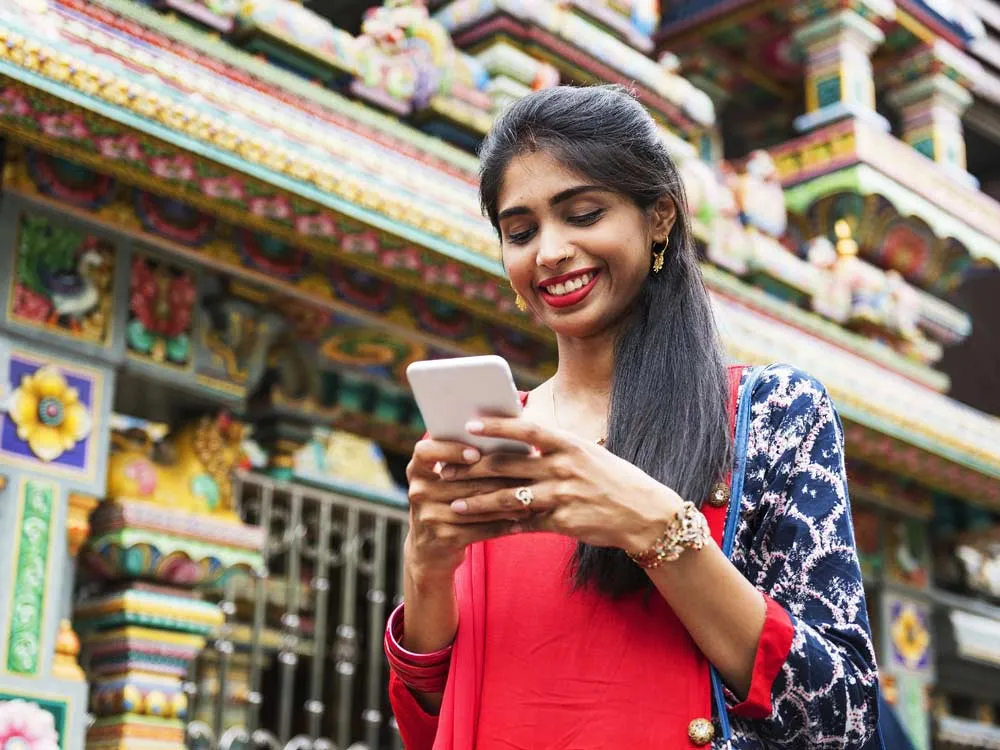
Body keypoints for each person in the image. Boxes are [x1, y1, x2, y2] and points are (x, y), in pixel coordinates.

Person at [384, 84, 879, 749]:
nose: (549, 252)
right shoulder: (490, 438)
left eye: (583, 214)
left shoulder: (772, 416)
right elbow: (434, 725)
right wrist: (426, 567)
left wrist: (660, 531)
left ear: (659, 218)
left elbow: (842, 718)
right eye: (520, 232)